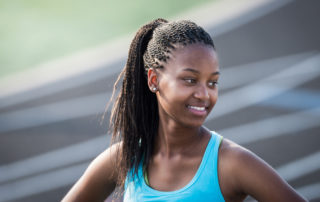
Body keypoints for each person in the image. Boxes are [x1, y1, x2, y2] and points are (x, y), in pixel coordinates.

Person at [62, 18, 306, 202]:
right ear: (153, 80)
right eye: (190, 80)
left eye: (213, 82)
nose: (204, 94)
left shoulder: (232, 163)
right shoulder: (124, 158)